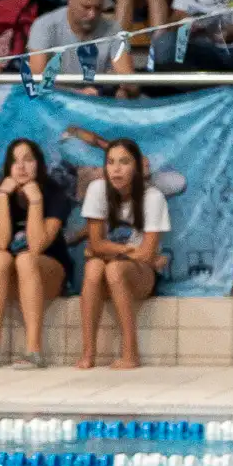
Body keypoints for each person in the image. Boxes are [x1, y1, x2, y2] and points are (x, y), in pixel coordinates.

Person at [76, 136, 169, 368]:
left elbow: (147, 255)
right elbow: (95, 244)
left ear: (137, 167)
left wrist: (107, 252)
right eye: (110, 162)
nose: (116, 169)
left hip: (139, 276)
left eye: (124, 162)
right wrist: (126, 249)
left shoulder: (153, 197)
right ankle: (88, 352)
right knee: (94, 267)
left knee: (113, 268)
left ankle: (131, 352)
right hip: (113, 269)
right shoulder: (97, 189)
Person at [0, 136, 71, 367]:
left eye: (28, 160)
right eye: (15, 161)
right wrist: (1, 197)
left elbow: (38, 245)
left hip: (49, 272)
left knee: (26, 259)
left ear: (39, 164)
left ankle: (33, 351)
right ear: (8, 168)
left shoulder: (54, 193)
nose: (20, 166)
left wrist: (36, 201)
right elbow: (0, 242)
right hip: (14, 278)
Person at [26, 0, 121, 86]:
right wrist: (78, 94)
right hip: (56, 101)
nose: (92, 14)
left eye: (98, 8)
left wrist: (121, 90)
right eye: (86, 7)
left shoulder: (114, 30)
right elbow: (36, 80)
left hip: (97, 99)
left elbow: (129, 81)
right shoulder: (44, 26)